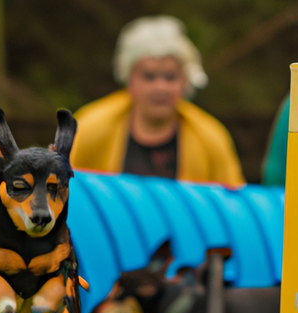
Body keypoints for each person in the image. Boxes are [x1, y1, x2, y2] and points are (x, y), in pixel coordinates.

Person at [70, 15, 245, 186]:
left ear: (184, 81)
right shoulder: (89, 129)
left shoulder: (210, 138)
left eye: (170, 77)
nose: (160, 87)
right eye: (149, 76)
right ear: (129, 79)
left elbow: (231, 204)